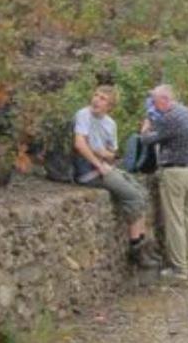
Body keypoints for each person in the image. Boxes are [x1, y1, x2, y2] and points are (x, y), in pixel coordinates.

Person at [72, 86, 158, 268]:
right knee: (133, 197)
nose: (96, 100)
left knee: (141, 192)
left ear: (109, 106)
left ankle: (143, 245)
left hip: (106, 167)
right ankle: (136, 250)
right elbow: (80, 144)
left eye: (102, 98)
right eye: (96, 95)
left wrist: (104, 154)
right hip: (89, 172)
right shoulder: (83, 114)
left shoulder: (110, 124)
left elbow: (112, 153)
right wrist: (98, 162)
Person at [140, 84, 188, 280]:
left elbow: (148, 140)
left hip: (175, 171)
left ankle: (179, 268)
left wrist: (145, 127)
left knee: (175, 221)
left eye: (155, 101)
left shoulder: (169, 117)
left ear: (165, 99)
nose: (153, 106)